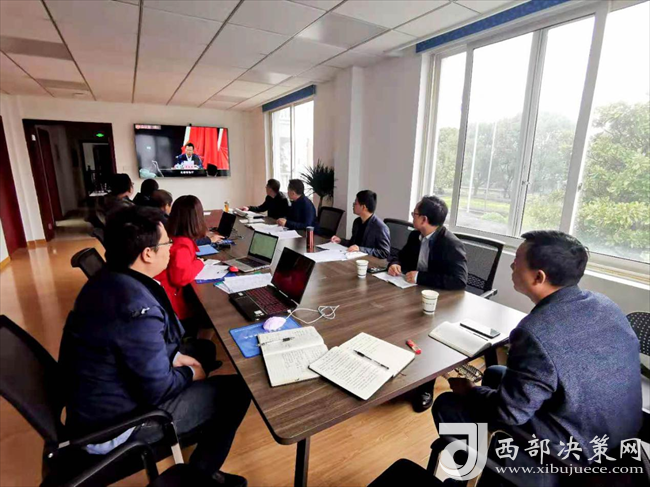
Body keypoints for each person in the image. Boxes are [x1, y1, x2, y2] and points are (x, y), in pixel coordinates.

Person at [59, 206, 250, 486]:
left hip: (99, 402)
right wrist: (190, 374)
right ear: (147, 253)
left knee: (203, 351)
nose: (171, 247)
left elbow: (131, 345)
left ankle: (201, 438)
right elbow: (157, 389)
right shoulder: (135, 307)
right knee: (237, 392)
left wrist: (174, 356)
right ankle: (200, 475)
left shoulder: (109, 279)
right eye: (167, 242)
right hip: (115, 426)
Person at [432, 231, 642, 485]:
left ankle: (473, 470)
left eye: (517, 260)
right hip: (616, 436)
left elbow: (509, 414)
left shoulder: (534, 332)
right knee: (495, 373)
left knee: (448, 404)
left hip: (572, 455)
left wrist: (470, 391)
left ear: (538, 277)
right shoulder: (604, 304)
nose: (512, 265)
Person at [388, 195, 467, 412]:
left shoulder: (450, 243)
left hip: (441, 302)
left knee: (425, 334)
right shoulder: (415, 236)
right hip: (412, 293)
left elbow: (459, 281)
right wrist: (395, 263)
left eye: (414, 214)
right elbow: (400, 256)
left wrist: (421, 277)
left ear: (424, 219)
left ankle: (425, 386)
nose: (411, 217)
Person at [156, 195, 220, 335]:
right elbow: (180, 278)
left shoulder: (172, 237)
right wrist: (198, 263)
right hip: (173, 308)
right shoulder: (182, 245)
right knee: (210, 315)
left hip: (163, 300)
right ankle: (200, 342)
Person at [330, 190, 391, 259]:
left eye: (355, 203)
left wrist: (360, 249)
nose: (353, 205)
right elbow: (353, 244)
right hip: (354, 258)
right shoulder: (357, 222)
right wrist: (341, 241)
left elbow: (385, 252)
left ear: (364, 207)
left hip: (369, 262)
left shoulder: (380, 227)